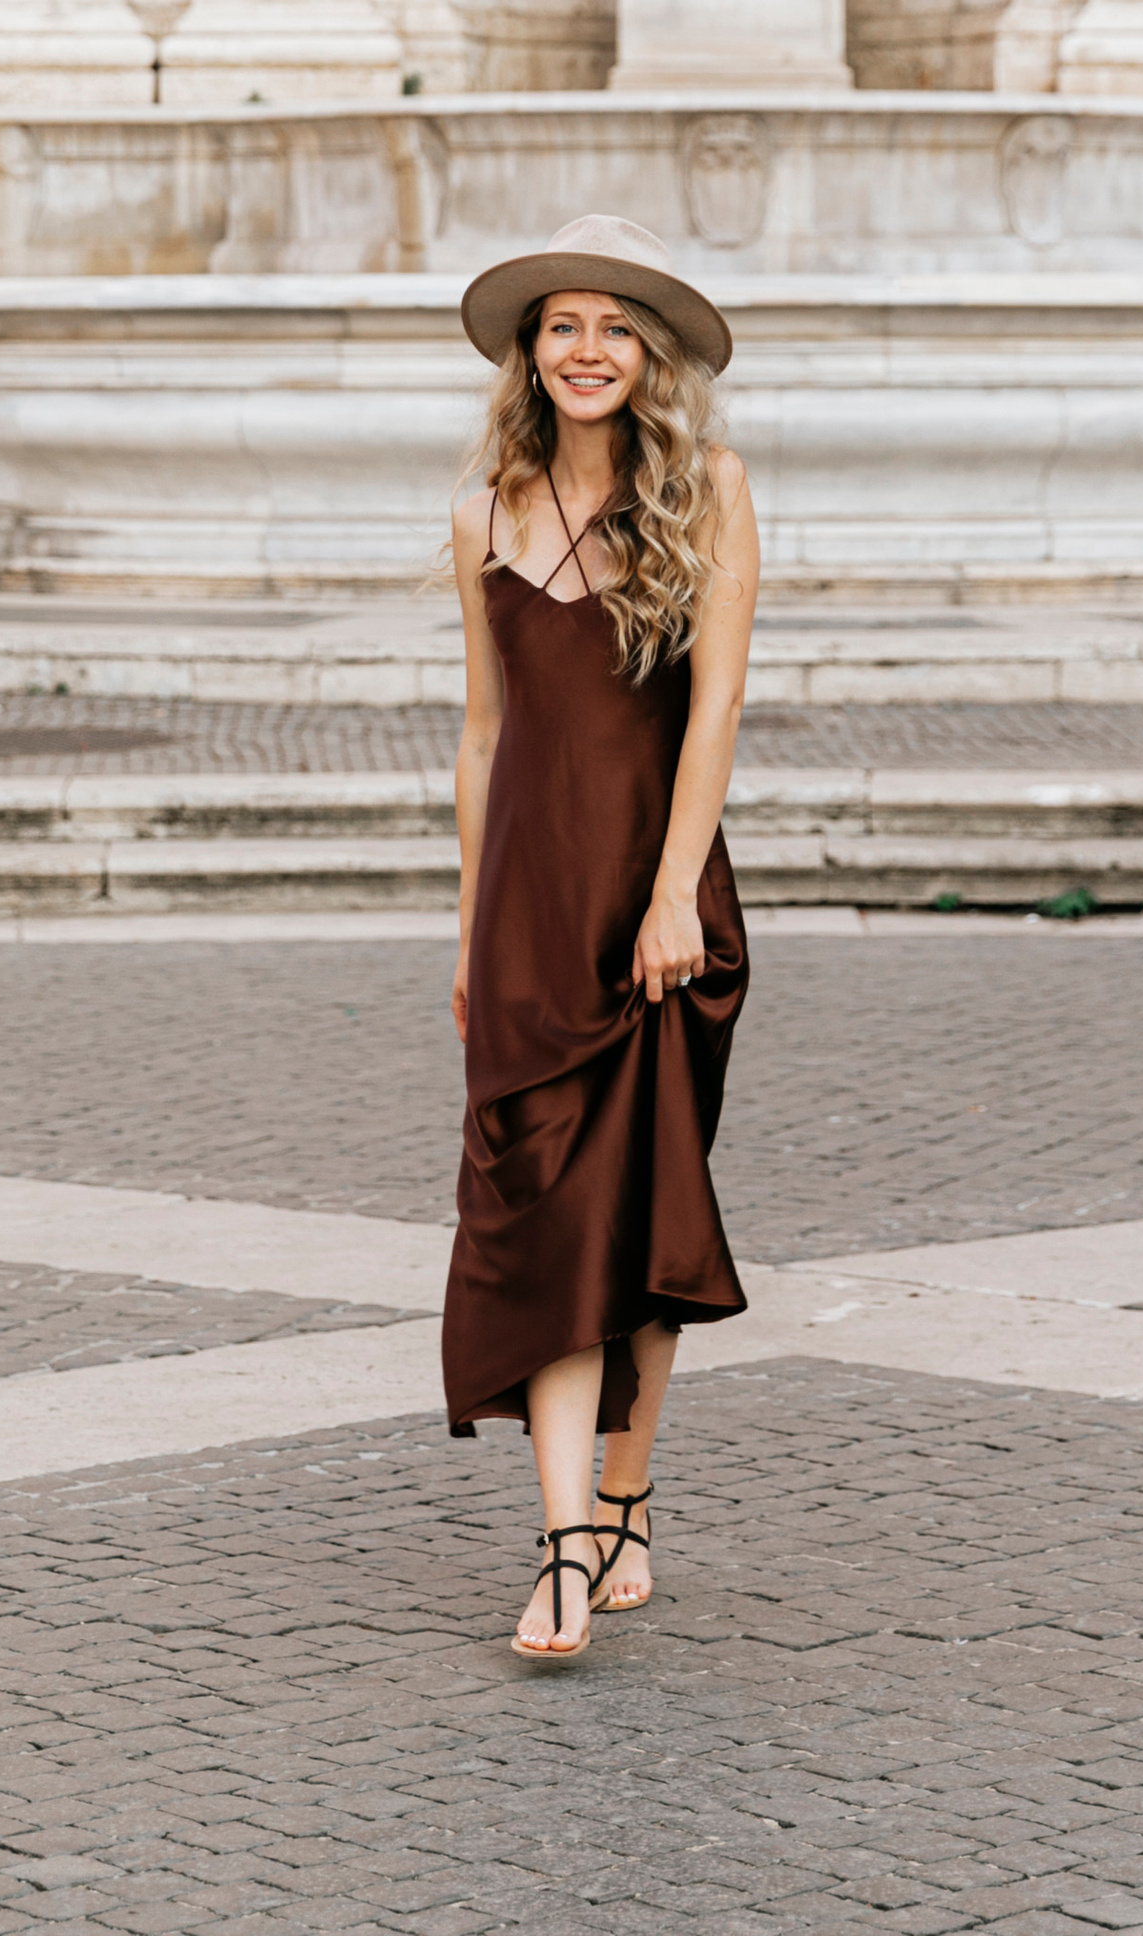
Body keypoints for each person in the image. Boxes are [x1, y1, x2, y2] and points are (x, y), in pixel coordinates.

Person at [443, 211, 755, 1663]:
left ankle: (626, 1495)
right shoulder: (483, 514)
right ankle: (566, 1543)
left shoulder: (711, 493)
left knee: (642, 1219)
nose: (588, 349)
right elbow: (483, 733)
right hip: (529, 915)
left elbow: (715, 708)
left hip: (657, 910)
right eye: (563, 325)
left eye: (616, 327)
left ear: (651, 357)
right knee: (544, 1220)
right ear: (530, 352)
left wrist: (676, 890)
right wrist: (470, 934)